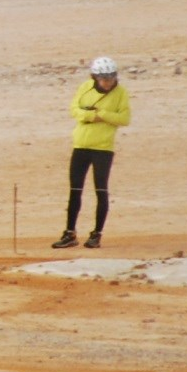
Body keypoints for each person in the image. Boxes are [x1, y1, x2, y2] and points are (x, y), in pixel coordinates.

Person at [54, 56, 129, 249]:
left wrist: (102, 114)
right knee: (75, 190)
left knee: (101, 190)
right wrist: (91, 115)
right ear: (95, 77)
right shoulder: (85, 86)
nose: (107, 82)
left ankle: (97, 234)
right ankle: (70, 233)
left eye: (110, 78)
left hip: (103, 149)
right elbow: (74, 109)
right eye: (103, 79)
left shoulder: (120, 93)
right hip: (81, 145)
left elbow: (124, 118)